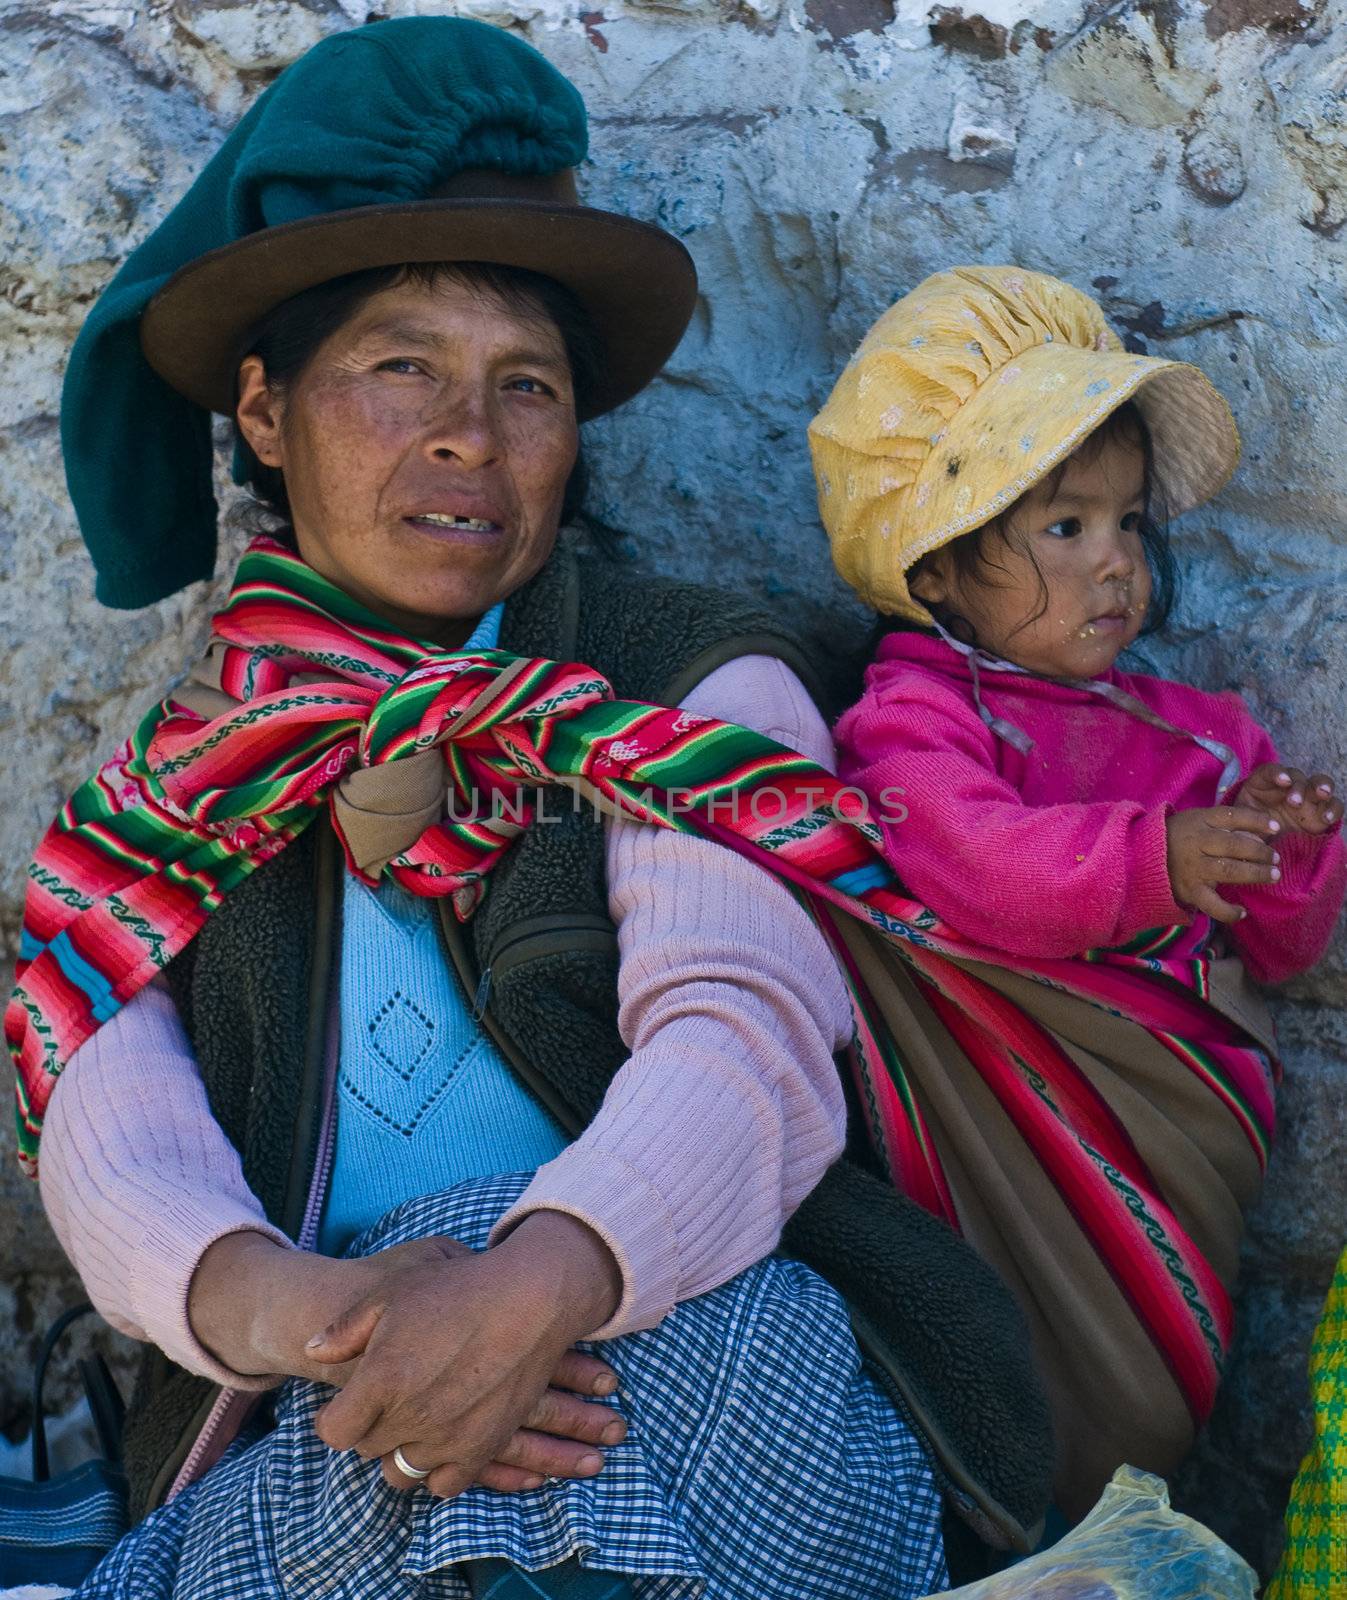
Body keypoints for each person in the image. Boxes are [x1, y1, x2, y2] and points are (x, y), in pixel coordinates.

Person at [5, 21, 1055, 1600]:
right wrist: (336, 1324)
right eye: (398, 367)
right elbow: (110, 1133)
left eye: (525, 386)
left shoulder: (687, 691)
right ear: (268, 411)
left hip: (682, 1325)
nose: (464, 438)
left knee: (672, 1375)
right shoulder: (169, 788)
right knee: (384, 1468)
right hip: (321, 1385)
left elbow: (739, 1042)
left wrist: (528, 1291)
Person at [808, 265, 1346, 1515]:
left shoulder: (1198, 734)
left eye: (1123, 524)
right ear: (934, 566)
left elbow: (1286, 944)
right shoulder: (916, 719)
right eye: (1062, 528)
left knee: (1158, 1399)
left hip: (1177, 1153)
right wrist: (1161, 861)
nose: (1114, 565)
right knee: (1047, 1401)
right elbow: (973, 864)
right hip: (1018, 1157)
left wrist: (1284, 847)